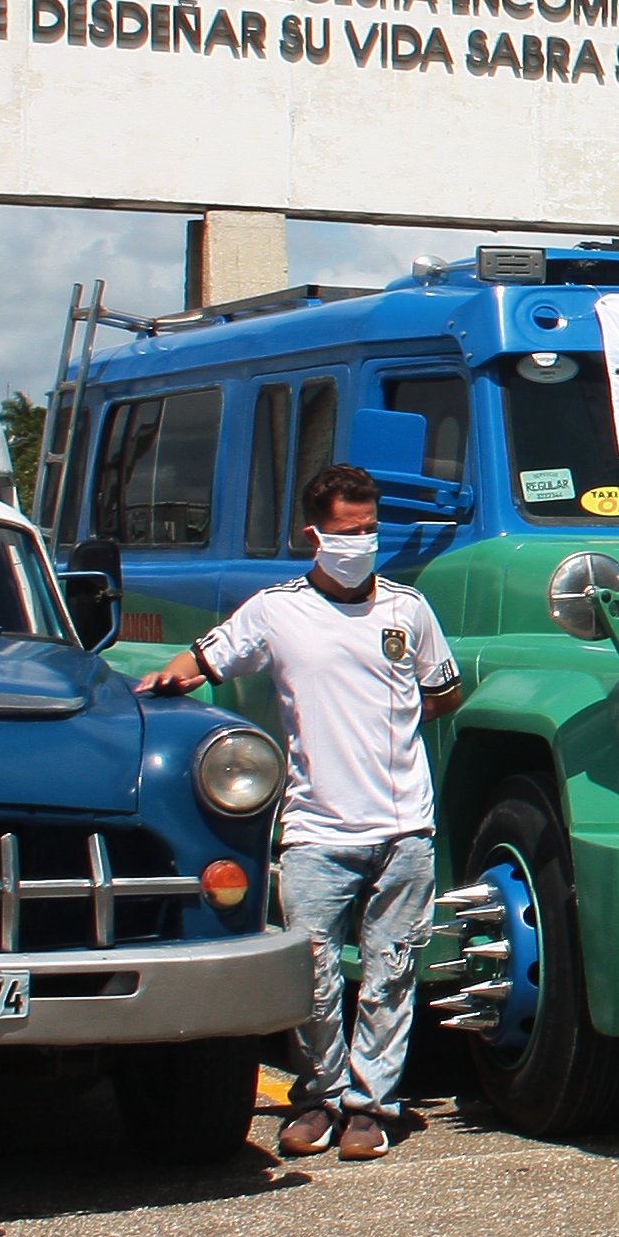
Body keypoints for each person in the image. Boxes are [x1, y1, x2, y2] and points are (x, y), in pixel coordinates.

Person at [140, 463, 462, 1161]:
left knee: (390, 972)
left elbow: (443, 691)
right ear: (314, 533)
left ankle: (370, 1107)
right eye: (348, 532)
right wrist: (154, 689)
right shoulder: (275, 610)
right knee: (312, 977)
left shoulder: (407, 611)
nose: (362, 543)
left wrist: (398, 727)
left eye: (371, 530)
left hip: (404, 829)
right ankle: (316, 1095)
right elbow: (200, 662)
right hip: (316, 830)